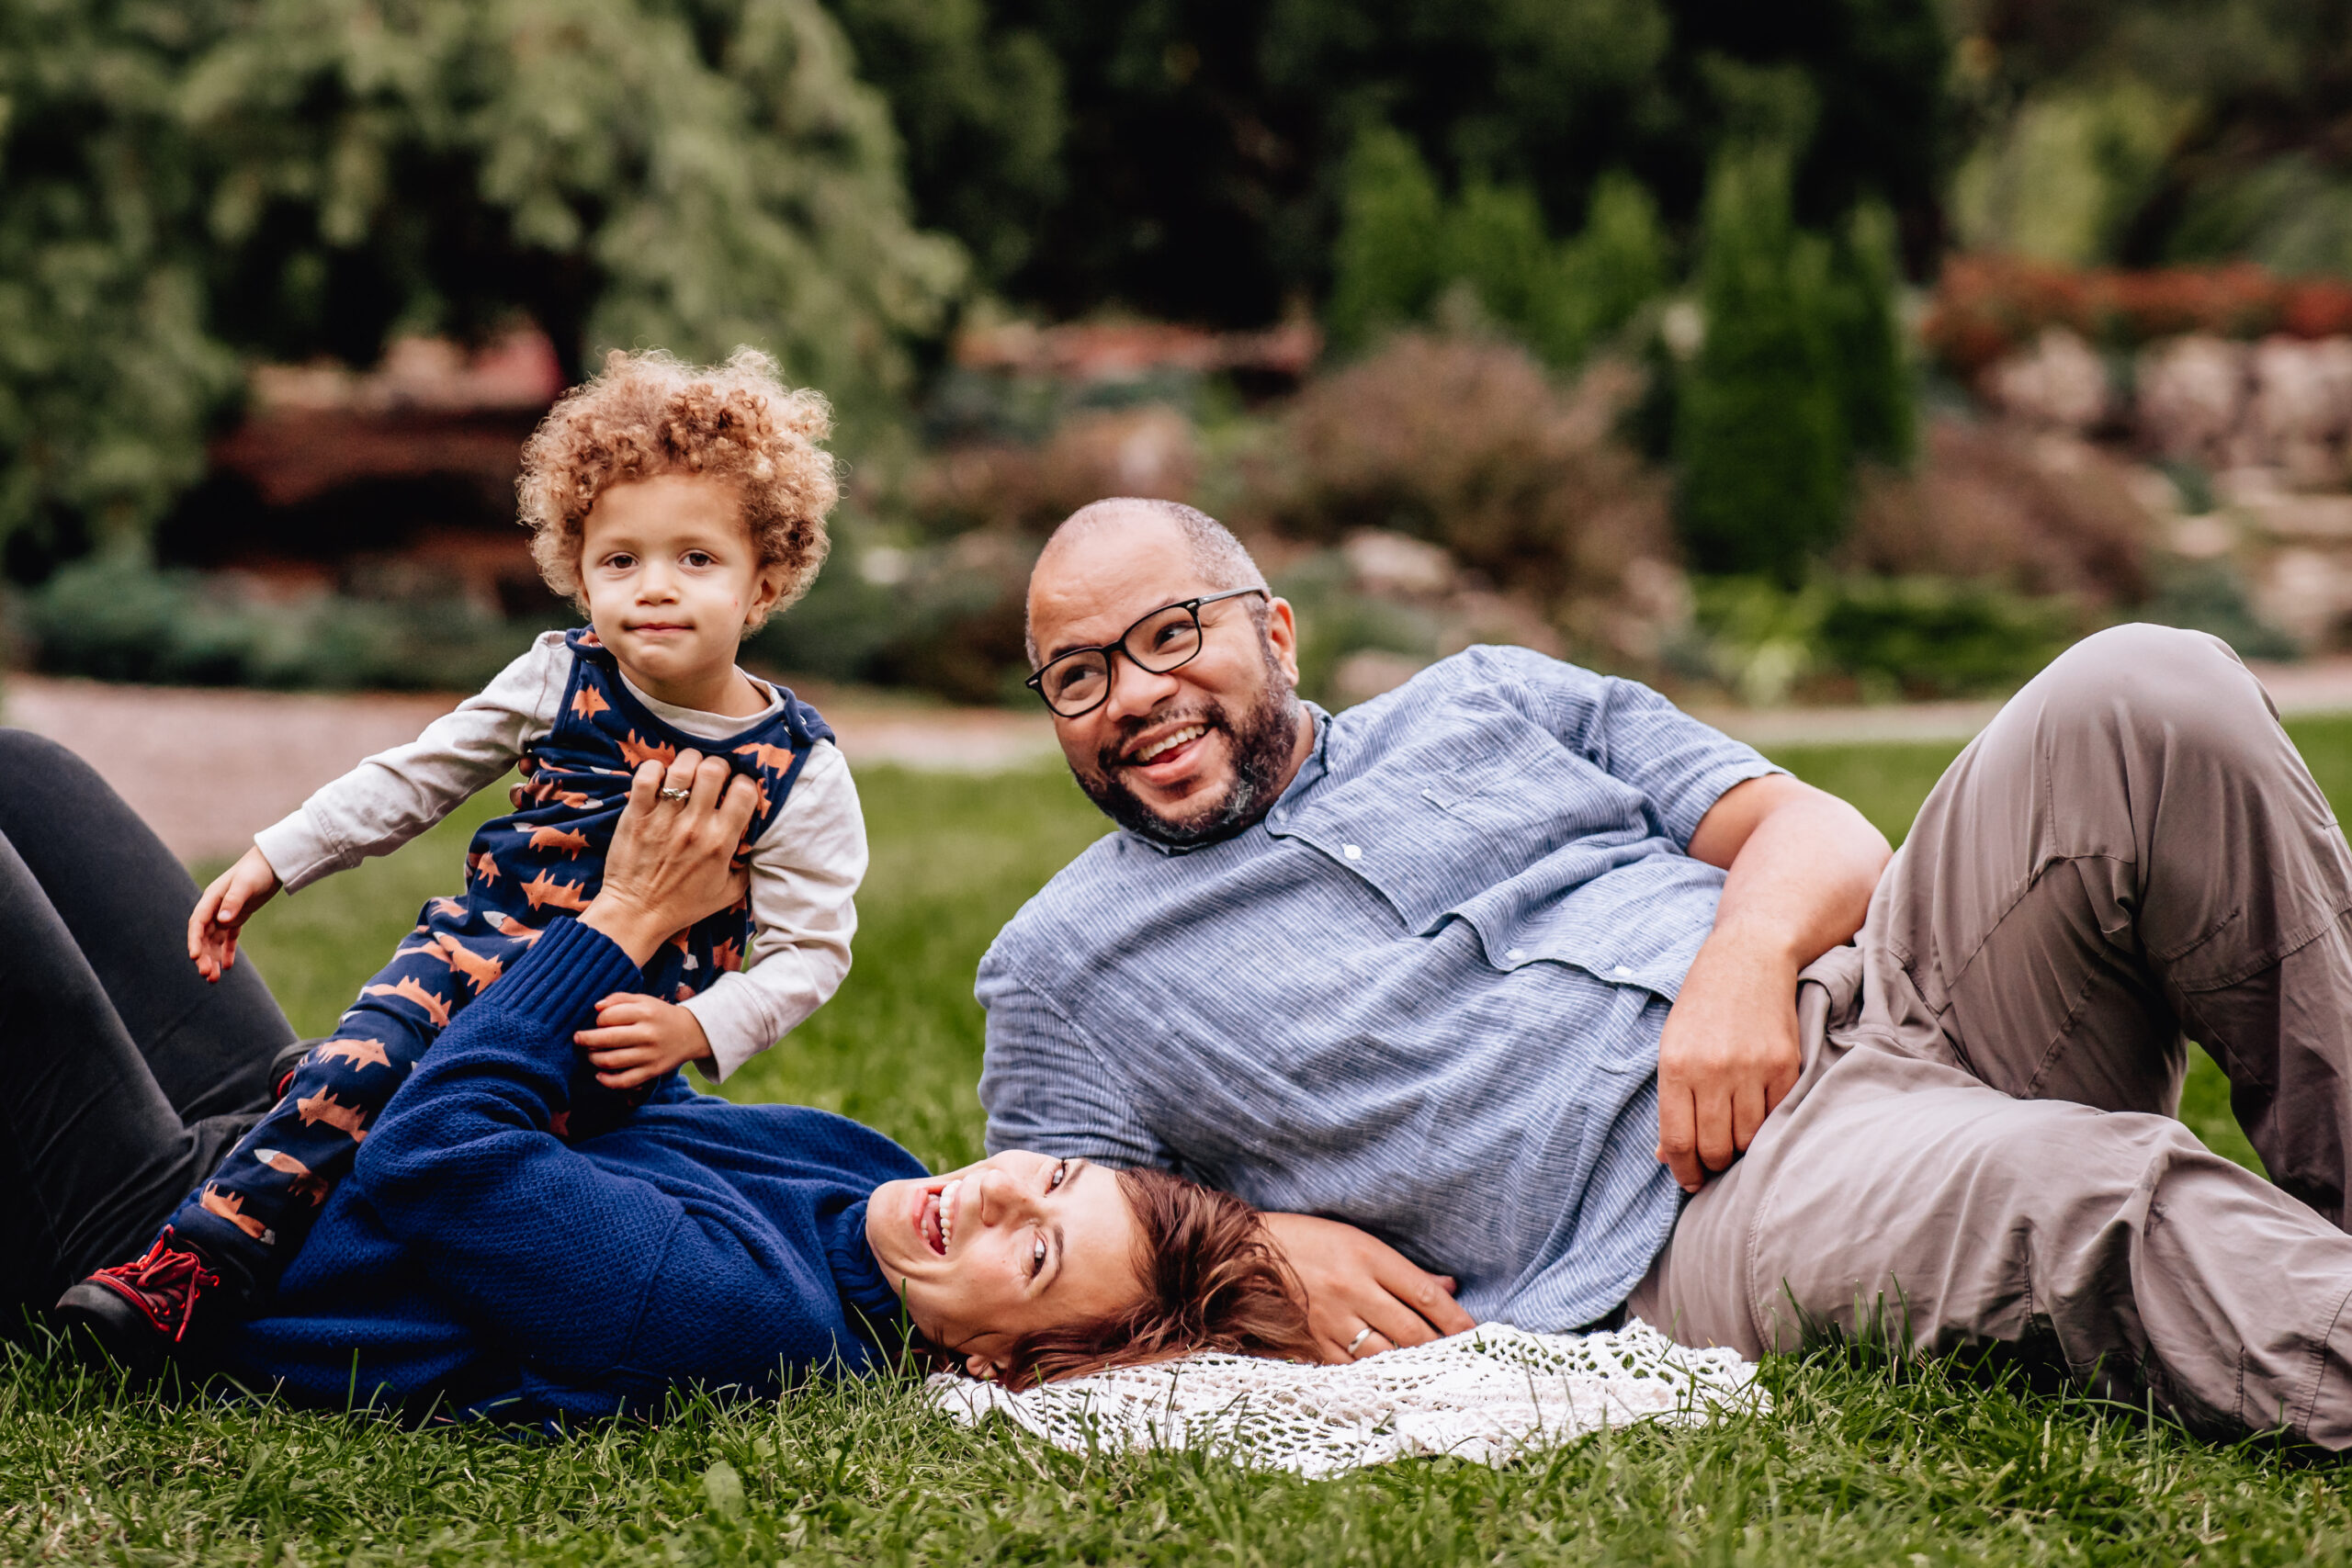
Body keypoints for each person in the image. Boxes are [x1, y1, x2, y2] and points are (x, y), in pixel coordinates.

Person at [978, 495, 2352, 1447]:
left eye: (1170, 634)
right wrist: (1269, 1247)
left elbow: (1813, 827)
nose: (1135, 695)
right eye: (1079, 675)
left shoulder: (1489, 694)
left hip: (1900, 985)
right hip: (1705, 1200)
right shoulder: (1063, 970)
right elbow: (1066, 1246)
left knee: (2153, 689)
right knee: (2060, 1181)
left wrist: (1745, 960)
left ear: (1275, 630)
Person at [5, 729, 1312, 1415]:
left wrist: (619, 922)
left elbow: (440, 1161)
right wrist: (687, 941)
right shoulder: (875, 1178)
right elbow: (619, 1096)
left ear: (1000, 1366)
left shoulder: (746, 1325)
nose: (996, 1195)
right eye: (1056, 1179)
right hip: (301, 1111)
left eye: (1032, 1257)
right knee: (32, 777)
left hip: (182, 1253)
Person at [62, 348, 870, 1357]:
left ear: (766, 581)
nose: (653, 588)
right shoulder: (556, 678)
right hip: (471, 960)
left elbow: (812, 950)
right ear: (578, 574)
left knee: (519, 1159)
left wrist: (698, 1030)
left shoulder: (798, 768)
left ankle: (342, 1237)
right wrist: (279, 856)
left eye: (696, 560)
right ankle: (194, 1264)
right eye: (620, 561)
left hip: (623, 1029)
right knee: (373, 1063)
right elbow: (417, 775)